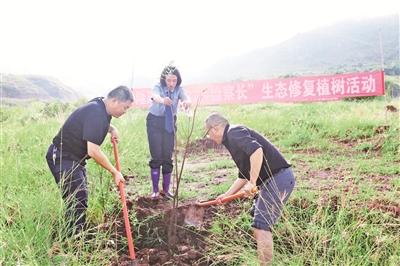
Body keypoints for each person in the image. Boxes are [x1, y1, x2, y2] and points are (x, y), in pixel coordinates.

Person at [205, 113, 295, 266]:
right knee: (257, 219)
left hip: (277, 179)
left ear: (216, 128)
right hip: (274, 181)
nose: (209, 137)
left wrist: (253, 182)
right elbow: (243, 176)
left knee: (261, 225)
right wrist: (226, 195)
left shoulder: (233, 132)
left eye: (208, 132)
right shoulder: (231, 140)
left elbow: (256, 151)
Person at [45, 86, 134, 236]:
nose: (125, 112)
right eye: (125, 108)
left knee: (79, 198)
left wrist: (111, 129)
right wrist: (114, 172)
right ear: (114, 101)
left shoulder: (99, 105)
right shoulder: (96, 112)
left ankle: (75, 235)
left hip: (73, 159)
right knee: (77, 201)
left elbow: (92, 123)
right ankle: (72, 242)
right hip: (62, 157)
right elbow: (93, 151)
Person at [146, 65, 190, 199]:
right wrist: (162, 100)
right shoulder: (158, 87)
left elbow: (187, 99)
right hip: (155, 122)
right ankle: (155, 191)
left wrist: (186, 103)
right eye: (169, 80)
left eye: (174, 80)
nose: (171, 84)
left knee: (167, 156)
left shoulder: (179, 89)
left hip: (170, 123)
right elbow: (155, 97)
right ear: (164, 79)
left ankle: (166, 190)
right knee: (156, 156)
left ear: (178, 80)